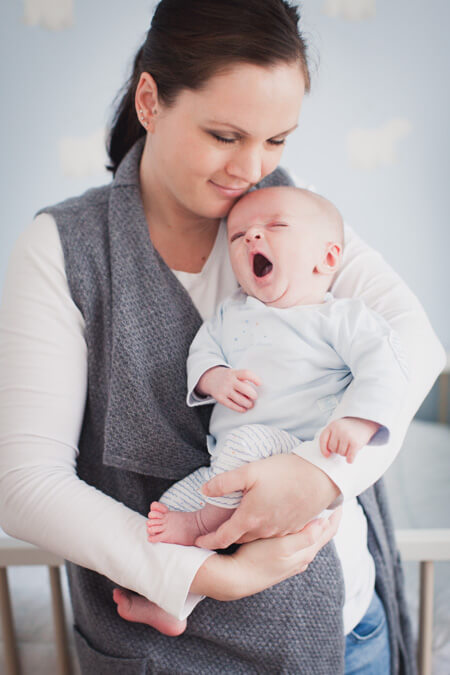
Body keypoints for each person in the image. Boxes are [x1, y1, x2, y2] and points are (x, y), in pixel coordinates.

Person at [0, 1, 444, 673]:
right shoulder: (64, 250)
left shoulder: (293, 212)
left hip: (344, 631)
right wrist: (206, 574)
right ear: (150, 100)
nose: (253, 169)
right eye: (224, 135)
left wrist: (317, 477)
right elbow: (25, 483)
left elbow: (412, 343)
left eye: (277, 139)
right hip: (169, 651)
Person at [145, 185, 408, 555]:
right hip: (224, 463)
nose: (252, 235)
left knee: (237, 458)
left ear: (328, 258)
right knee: (167, 509)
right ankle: (173, 603)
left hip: (296, 451)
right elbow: (202, 350)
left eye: (277, 226)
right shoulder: (230, 312)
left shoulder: (340, 317)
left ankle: (204, 525)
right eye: (237, 236)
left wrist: (358, 421)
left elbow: (386, 368)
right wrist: (213, 377)